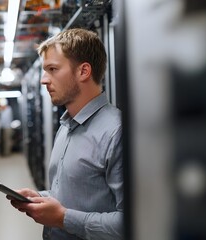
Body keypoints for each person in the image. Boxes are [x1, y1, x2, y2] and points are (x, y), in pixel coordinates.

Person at [9, 28, 123, 239]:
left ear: (83, 71)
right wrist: (40, 198)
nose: (44, 80)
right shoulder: (66, 126)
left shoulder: (116, 133)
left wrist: (63, 218)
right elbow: (71, 194)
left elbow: (132, 223)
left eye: (52, 69)